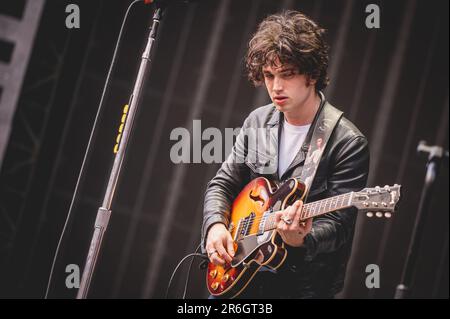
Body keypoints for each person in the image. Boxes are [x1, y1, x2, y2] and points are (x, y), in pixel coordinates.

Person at [201, 10, 369, 299]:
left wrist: (302, 238)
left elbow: (340, 226)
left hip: (302, 288)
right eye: (268, 75)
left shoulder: (347, 143)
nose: (276, 87)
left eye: (287, 75)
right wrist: (215, 225)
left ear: (312, 74)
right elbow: (222, 183)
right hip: (240, 276)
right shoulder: (257, 121)